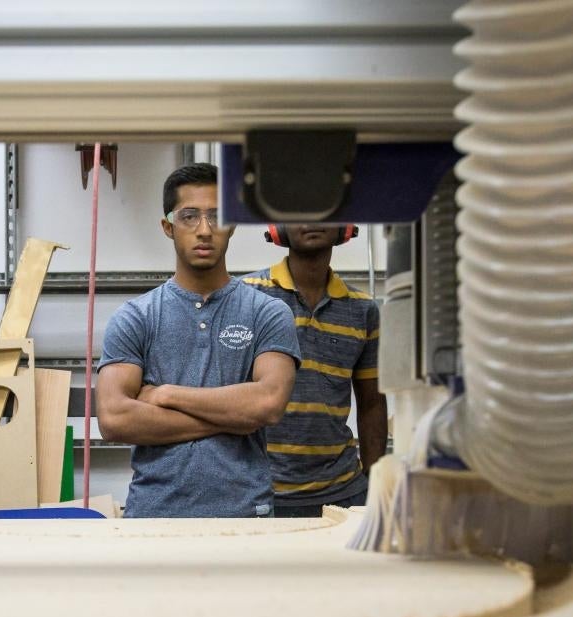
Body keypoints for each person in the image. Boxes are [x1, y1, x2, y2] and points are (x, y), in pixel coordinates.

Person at [97, 163, 301, 518]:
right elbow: (114, 418)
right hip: (154, 516)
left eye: (217, 216)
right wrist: (234, 417)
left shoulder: (268, 313)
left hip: (246, 517)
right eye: (189, 216)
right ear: (168, 226)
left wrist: (165, 394)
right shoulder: (136, 317)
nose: (204, 230)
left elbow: (267, 404)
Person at [242, 224, 387, 517]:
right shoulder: (247, 296)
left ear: (345, 228)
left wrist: (374, 485)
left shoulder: (363, 310)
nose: (311, 220)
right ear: (279, 227)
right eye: (299, 210)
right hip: (258, 493)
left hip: (344, 493)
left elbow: (372, 403)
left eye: (324, 210)